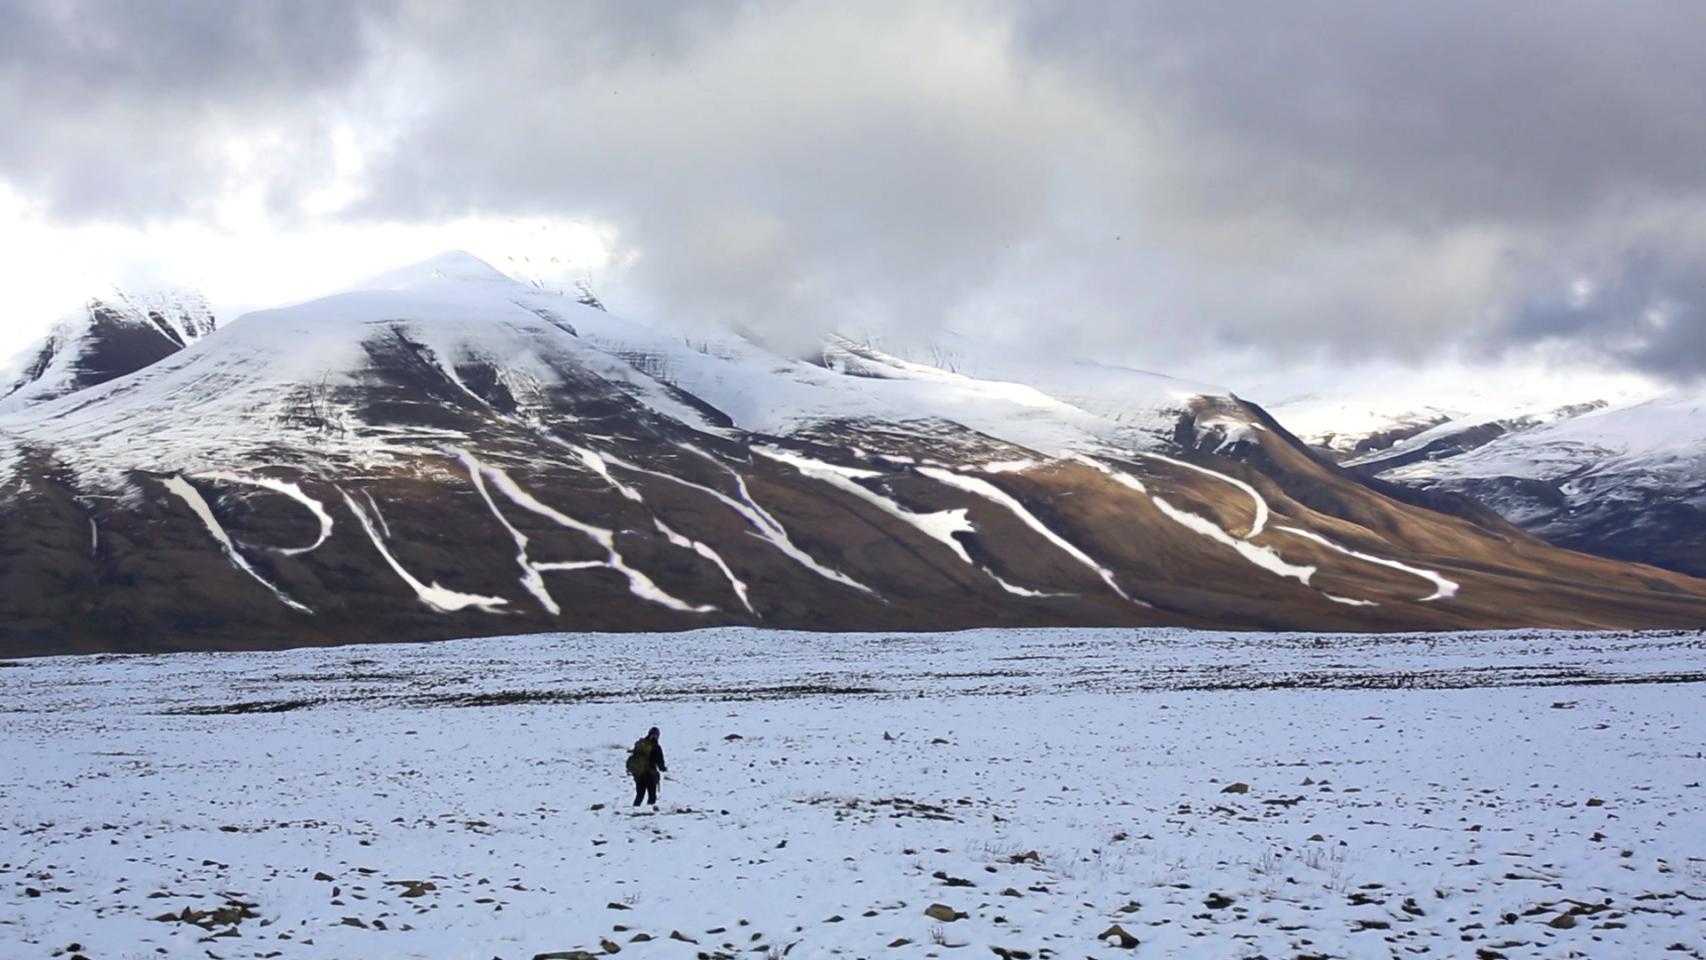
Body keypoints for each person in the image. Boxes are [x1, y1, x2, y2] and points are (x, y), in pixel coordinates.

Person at [626, 726, 667, 807]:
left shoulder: (641, 745)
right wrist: (663, 768)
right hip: (650, 774)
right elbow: (660, 764)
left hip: (639, 774)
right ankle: (650, 815)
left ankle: (634, 811)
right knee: (652, 796)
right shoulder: (656, 747)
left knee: (639, 795)